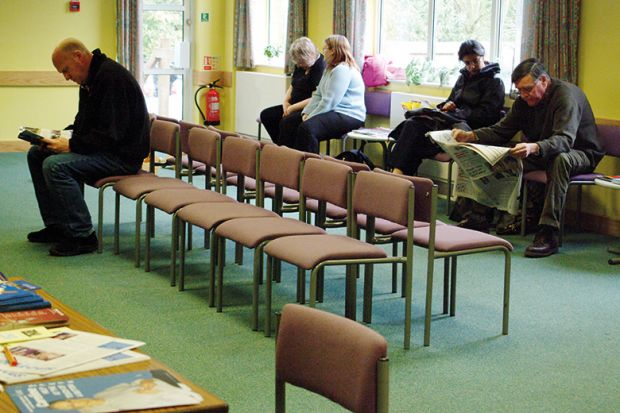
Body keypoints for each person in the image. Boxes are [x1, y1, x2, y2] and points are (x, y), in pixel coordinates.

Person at [453, 58, 604, 258]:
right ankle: (481, 216)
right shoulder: (524, 101)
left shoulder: (565, 96)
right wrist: (472, 136)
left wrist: (534, 147)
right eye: (520, 91)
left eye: (528, 89)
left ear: (543, 80)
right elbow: (502, 130)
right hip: (543, 150)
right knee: (498, 154)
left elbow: (565, 140)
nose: (523, 95)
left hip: (582, 153)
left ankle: (548, 232)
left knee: (561, 160)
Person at [26, 38, 150, 256]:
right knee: (37, 154)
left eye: (66, 70)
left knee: (56, 166)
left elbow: (111, 136)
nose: (66, 77)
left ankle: (82, 235)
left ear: (78, 56)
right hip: (106, 149)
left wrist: (71, 145)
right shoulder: (90, 79)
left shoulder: (111, 79)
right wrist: (57, 136)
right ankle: (58, 226)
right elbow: (85, 123)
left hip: (121, 158)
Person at [388, 39, 505, 176]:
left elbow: (487, 114)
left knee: (413, 142)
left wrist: (459, 113)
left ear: (483, 57)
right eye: (467, 63)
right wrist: (447, 106)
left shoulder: (495, 81)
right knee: (412, 124)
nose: (472, 66)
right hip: (452, 122)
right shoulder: (463, 78)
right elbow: (450, 100)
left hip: (470, 128)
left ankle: (397, 177)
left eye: (475, 61)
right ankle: (398, 175)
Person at [283, 34, 365, 153]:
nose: (323, 52)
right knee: (289, 122)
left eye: (325, 49)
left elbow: (329, 102)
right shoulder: (329, 69)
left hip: (349, 115)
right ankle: (287, 159)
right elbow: (318, 95)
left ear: (333, 51)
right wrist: (306, 112)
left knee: (307, 128)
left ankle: (309, 166)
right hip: (335, 111)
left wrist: (310, 116)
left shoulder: (342, 70)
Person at [259, 37, 326, 145]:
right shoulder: (300, 65)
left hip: (308, 109)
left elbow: (316, 97)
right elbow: (292, 85)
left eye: (301, 62)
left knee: (287, 122)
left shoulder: (321, 67)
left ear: (310, 55)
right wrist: (286, 102)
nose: (299, 65)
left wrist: (292, 108)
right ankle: (283, 147)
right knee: (267, 115)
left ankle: (285, 153)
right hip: (292, 105)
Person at [47, 377, 202, 412]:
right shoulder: (103, 410)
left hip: (166, 387)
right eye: (70, 406)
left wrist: (144, 383)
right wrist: (155, 393)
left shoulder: (103, 392)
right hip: (173, 396)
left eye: (69, 401)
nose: (75, 403)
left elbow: (135, 382)